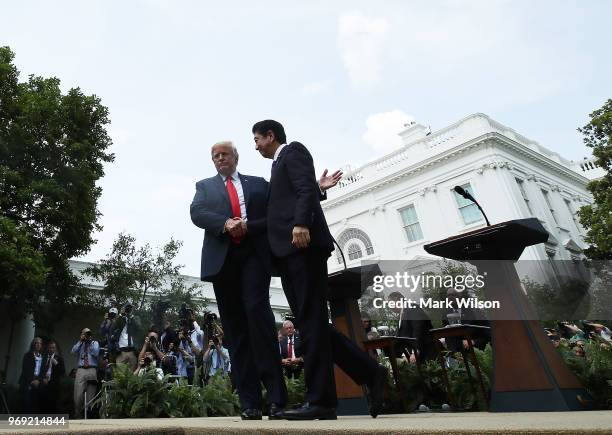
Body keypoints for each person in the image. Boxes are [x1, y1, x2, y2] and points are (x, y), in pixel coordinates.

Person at [253, 119, 388, 420]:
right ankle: (370, 372)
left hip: (303, 247)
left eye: (257, 139)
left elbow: (301, 189)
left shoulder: (293, 152)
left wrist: (302, 221)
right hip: (288, 254)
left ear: (270, 135)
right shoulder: (277, 166)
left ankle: (321, 401)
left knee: (312, 323)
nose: (256, 145)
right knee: (311, 324)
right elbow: (294, 196)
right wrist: (316, 190)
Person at [190, 140, 288, 420]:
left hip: (254, 256)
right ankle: (250, 403)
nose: (221, 158)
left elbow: (280, 205)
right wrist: (225, 223)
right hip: (223, 261)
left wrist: (315, 190)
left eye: (225, 154)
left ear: (235, 157)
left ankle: (278, 401)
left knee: (260, 320)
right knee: (236, 331)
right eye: (216, 156)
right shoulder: (205, 187)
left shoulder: (258, 183)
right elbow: (197, 213)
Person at [71, 328, 100, 418]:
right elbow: (73, 351)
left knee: (90, 395)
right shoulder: (80, 344)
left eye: (88, 334)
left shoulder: (94, 343)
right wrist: (81, 341)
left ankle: (88, 415)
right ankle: (78, 413)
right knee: (78, 394)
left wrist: (89, 343)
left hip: (92, 369)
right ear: (81, 334)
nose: (86, 335)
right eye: (84, 333)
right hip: (81, 370)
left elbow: (96, 353)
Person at [18, 337, 44, 413]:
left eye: (40, 343)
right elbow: (25, 370)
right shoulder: (28, 355)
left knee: (35, 405)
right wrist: (32, 381)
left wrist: (38, 380)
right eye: (37, 343)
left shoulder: (42, 357)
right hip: (27, 382)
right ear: (33, 344)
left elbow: (42, 371)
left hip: (37, 382)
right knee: (26, 405)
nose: (38, 345)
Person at [40, 341, 66, 414]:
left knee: (53, 405)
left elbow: (63, 371)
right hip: (44, 383)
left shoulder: (59, 358)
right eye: (50, 347)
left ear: (55, 349)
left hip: (54, 385)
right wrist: (42, 379)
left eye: (53, 348)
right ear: (48, 348)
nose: (51, 349)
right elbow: (40, 370)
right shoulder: (44, 358)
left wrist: (56, 364)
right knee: (43, 404)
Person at [112, 303, 139, 371]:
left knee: (131, 375)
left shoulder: (135, 318)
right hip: (121, 351)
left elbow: (138, 327)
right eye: (127, 308)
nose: (128, 310)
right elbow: (113, 327)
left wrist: (131, 316)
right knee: (120, 375)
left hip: (132, 351)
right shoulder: (121, 318)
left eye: (130, 308)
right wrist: (121, 314)